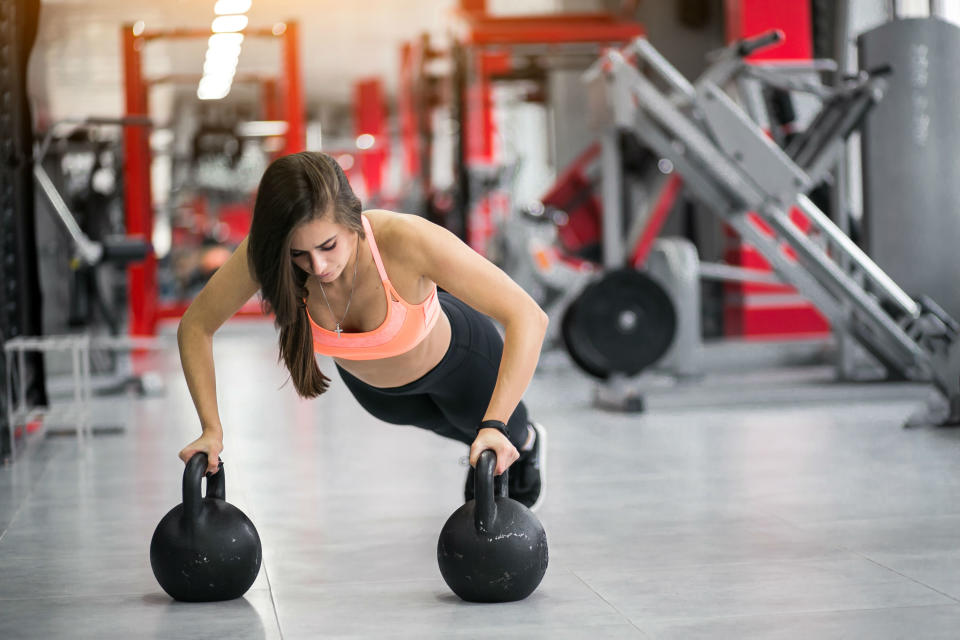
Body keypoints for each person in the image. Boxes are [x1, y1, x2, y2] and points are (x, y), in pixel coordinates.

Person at [176, 151, 549, 510]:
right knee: (465, 432)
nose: (318, 266)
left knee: (497, 433)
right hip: (382, 398)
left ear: (353, 219)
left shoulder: (405, 239)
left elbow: (529, 316)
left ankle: (528, 441)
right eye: (298, 254)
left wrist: (496, 424)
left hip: (462, 366)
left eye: (328, 245)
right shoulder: (267, 253)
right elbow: (196, 325)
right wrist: (211, 429)